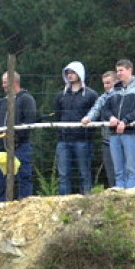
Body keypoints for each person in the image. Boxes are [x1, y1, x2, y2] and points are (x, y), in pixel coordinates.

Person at [82, 59, 135, 188]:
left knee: (131, 168)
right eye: (117, 71)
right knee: (118, 170)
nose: (119, 73)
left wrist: (125, 121)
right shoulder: (114, 90)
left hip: (131, 132)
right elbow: (105, 108)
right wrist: (111, 117)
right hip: (114, 133)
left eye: (121, 70)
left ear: (130, 70)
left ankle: (132, 195)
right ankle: (120, 195)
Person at [0, 71, 37, 200]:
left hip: (21, 146)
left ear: (13, 82)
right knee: (2, 180)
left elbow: (30, 121)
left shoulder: (26, 99)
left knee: (24, 177)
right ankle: (2, 205)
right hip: (3, 149)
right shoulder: (2, 102)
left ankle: (25, 204)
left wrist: (16, 138)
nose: (3, 85)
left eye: (5, 82)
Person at [55, 61, 98, 195]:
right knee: (63, 175)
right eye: (68, 73)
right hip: (63, 140)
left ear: (80, 73)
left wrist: (87, 133)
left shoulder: (91, 95)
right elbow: (57, 116)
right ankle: (64, 202)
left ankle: (87, 201)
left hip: (83, 140)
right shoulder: (61, 95)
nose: (70, 75)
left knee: (85, 174)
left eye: (73, 72)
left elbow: (96, 116)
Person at [99, 71, 117, 189]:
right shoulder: (102, 98)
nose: (106, 86)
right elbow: (95, 110)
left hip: (121, 139)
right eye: (104, 83)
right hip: (106, 141)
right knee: (110, 173)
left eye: (108, 83)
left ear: (116, 82)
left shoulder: (124, 96)